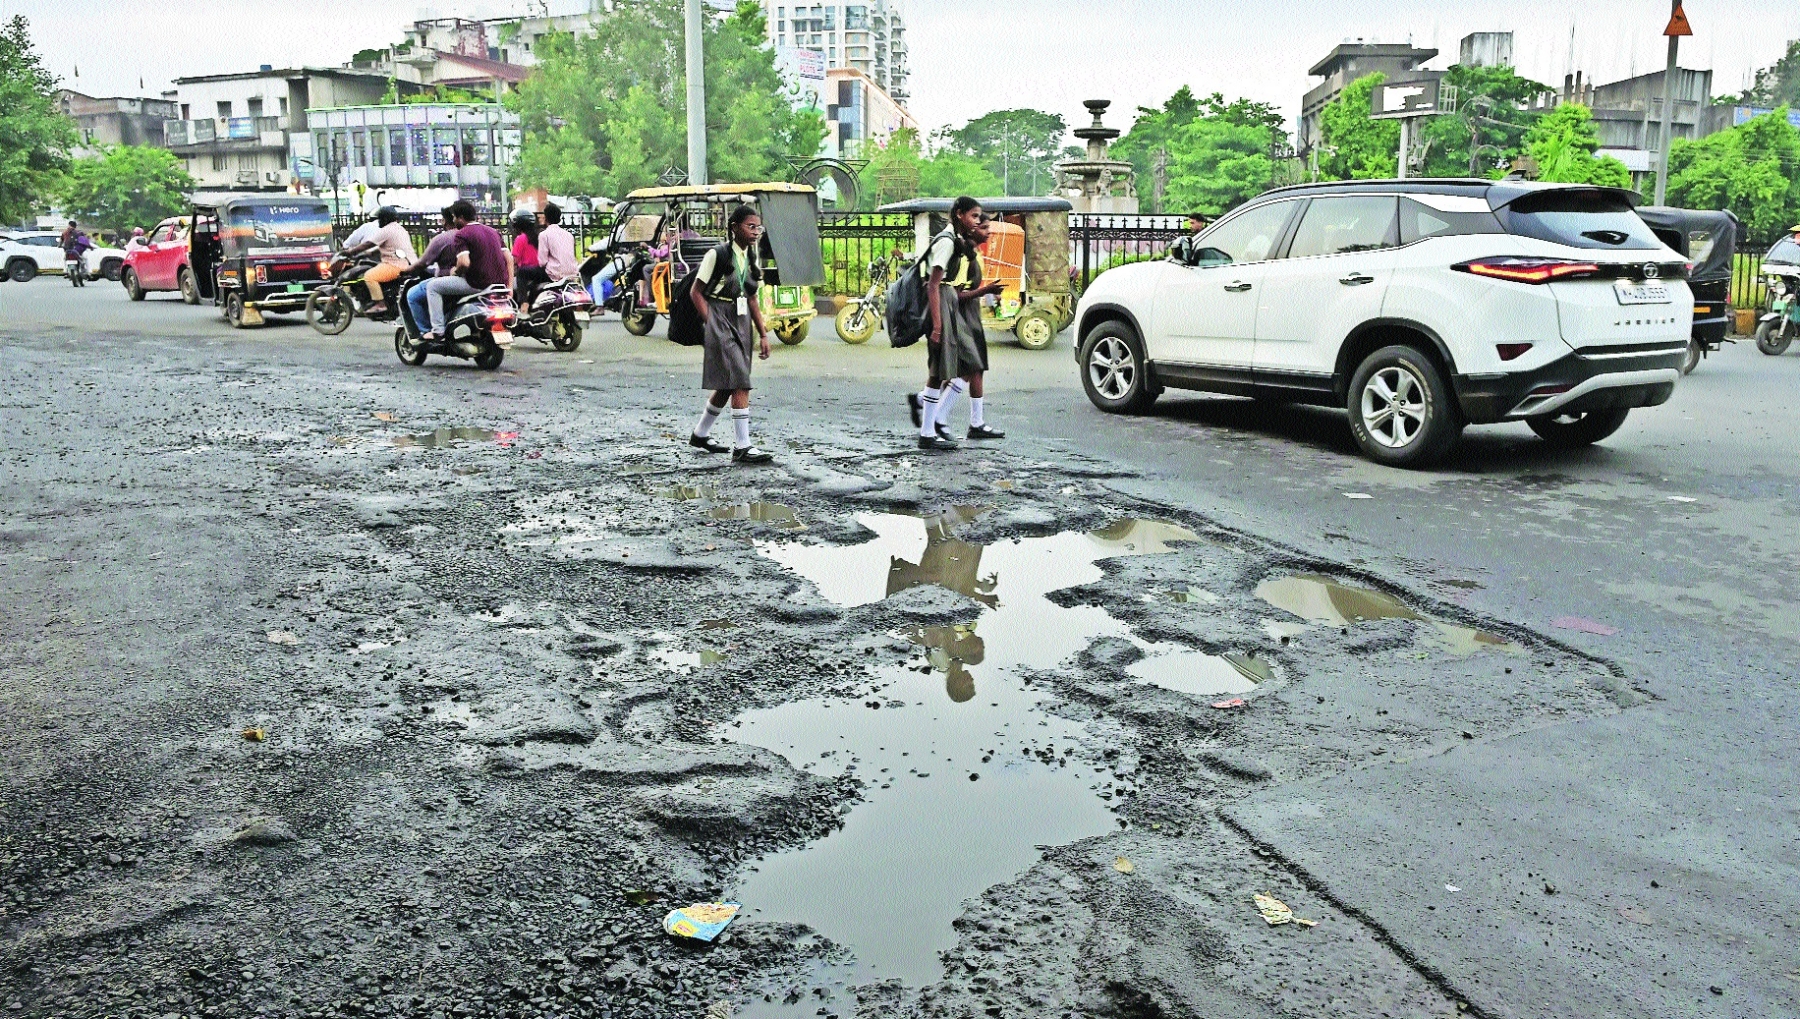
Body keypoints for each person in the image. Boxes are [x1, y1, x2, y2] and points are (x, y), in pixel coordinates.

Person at [912, 197, 1005, 451]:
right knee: (937, 370)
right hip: (942, 302)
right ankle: (928, 431)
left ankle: (932, 426)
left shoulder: (956, 242)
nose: (977, 222)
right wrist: (938, 326)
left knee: (953, 366)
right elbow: (933, 285)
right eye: (974, 217)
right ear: (960, 214)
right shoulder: (946, 242)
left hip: (948, 302)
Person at [687, 205, 774, 465]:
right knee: (740, 380)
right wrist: (711, 321)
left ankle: (700, 434)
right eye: (750, 226)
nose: (755, 231)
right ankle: (743, 446)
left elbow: (752, 298)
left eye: (758, 227)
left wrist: (764, 333)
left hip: (741, 320)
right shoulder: (718, 255)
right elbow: (695, 292)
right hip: (720, 317)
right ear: (734, 227)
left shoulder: (748, 258)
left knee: (726, 385)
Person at [424, 200, 508, 342]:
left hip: (476, 284)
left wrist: (455, 271)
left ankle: (438, 331)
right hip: (498, 285)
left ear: (460, 217)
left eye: (454, 217)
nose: (454, 220)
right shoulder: (493, 231)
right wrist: (509, 286)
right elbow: (509, 259)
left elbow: (464, 262)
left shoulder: (462, 234)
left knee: (432, 286)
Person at [335, 206, 414, 314]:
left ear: (385, 219)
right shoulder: (400, 229)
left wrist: (351, 252)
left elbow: (368, 244)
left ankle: (380, 304)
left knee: (369, 276)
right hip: (404, 263)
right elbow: (387, 246)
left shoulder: (386, 230)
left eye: (380, 219)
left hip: (394, 265)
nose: (378, 222)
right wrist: (370, 253)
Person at [401, 207, 458, 332]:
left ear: (444, 220)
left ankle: (427, 331)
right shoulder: (472, 235)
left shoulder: (442, 239)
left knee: (412, 295)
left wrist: (407, 270)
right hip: (473, 281)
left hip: (448, 281)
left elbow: (422, 263)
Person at [509, 209, 546, 308]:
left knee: (519, 276)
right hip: (543, 272)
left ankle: (523, 305)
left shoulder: (521, 239)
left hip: (528, 274)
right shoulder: (539, 236)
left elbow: (514, 260)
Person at [537, 203, 579, 281]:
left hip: (555, 275)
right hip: (572, 274)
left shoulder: (544, 235)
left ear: (546, 218)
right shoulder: (569, 235)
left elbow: (542, 262)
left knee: (523, 272)